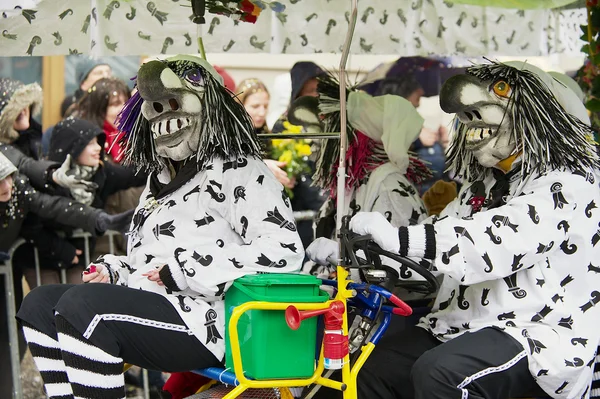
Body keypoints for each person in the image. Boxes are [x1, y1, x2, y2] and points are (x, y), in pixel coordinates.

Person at [307, 61, 600, 399]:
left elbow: (495, 242)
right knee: (368, 368)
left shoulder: (570, 183)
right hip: (460, 325)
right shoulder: (482, 185)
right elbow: (436, 241)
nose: (470, 117)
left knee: (441, 374)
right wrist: (353, 256)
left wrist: (399, 237)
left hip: (536, 330)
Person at [16, 54, 304, 399]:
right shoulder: (160, 178)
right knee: (39, 304)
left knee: (82, 307)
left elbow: (283, 250)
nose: (166, 120)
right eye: (156, 109)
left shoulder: (240, 169)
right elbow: (150, 262)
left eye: (173, 105)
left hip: (209, 320)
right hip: (155, 301)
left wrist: (185, 271)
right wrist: (115, 271)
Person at [0, 152, 132, 399]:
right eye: (0, 181)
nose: (7, 185)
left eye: (8, 177)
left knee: (9, 336)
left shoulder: (18, 190)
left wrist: (100, 220)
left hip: (6, 269)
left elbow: (55, 207)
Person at [21, 117, 145, 288]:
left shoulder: (101, 173)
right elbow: (31, 226)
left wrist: (165, 163)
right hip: (42, 257)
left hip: (77, 257)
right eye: (90, 143)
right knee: (49, 303)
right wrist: (62, 250)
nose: (98, 148)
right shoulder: (46, 178)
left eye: (98, 142)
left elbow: (133, 175)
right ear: (72, 147)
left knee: (76, 302)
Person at [272, 61, 327, 249]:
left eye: (318, 90)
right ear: (298, 93)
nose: (316, 96)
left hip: (329, 208)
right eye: (310, 91)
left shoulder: (331, 124)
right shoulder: (284, 126)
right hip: (301, 215)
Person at [235, 78, 295, 189]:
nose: (262, 112)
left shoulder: (266, 134)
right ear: (239, 106)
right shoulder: (229, 136)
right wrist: (263, 167)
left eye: (266, 106)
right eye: (255, 106)